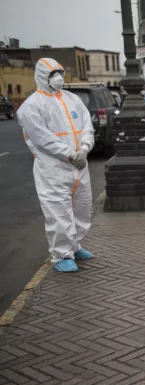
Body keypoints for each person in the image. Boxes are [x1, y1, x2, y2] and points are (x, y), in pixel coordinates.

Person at [17, 58, 96, 273]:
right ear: (42, 76)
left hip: (80, 166)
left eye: (60, 72)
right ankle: (61, 254)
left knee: (82, 208)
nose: (58, 77)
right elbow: (42, 138)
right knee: (58, 212)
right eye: (52, 74)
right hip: (53, 170)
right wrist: (69, 154)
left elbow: (87, 125)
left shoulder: (72, 99)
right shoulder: (31, 107)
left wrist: (85, 148)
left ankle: (74, 245)